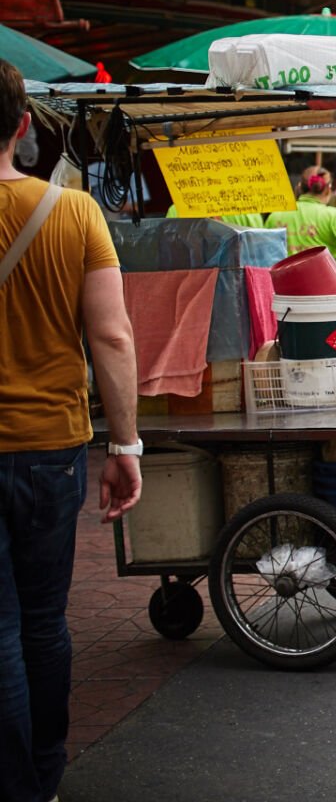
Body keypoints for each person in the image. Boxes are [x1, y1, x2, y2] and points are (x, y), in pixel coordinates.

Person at [0, 58, 142, 802]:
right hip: (51, 447)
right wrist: (126, 445)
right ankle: (42, 779)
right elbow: (112, 339)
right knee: (43, 622)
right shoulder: (73, 213)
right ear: (24, 127)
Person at [263, 168, 336, 277]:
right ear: (328, 190)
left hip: (285, 284)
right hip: (323, 283)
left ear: (299, 187)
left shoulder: (275, 216)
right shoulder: (333, 216)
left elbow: (264, 250)